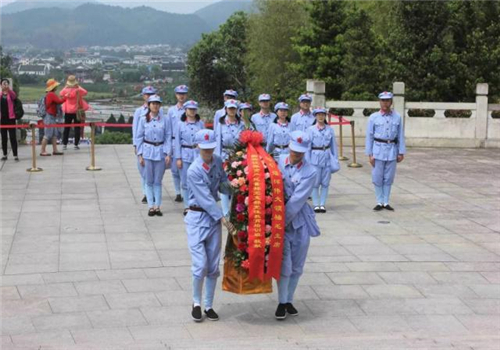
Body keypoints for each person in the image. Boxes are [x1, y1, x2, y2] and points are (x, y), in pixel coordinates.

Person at [185, 129, 233, 322]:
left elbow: (222, 183)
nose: (208, 153)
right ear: (198, 147)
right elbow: (205, 198)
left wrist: (237, 186)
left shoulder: (218, 161)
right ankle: (196, 302)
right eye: (205, 149)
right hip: (197, 218)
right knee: (200, 264)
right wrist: (223, 218)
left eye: (211, 148)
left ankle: (209, 305)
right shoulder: (194, 170)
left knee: (213, 265)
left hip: (213, 219)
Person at [275, 130, 320, 320]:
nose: (296, 155)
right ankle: (281, 302)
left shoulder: (310, 171)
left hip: (298, 220)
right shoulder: (278, 161)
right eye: (294, 151)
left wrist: (280, 222)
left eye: (300, 152)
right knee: (284, 264)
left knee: (297, 265)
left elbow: (296, 201)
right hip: (279, 219)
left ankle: (289, 300)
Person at [365, 91, 405, 211]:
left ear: (391, 102)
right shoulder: (374, 117)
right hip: (378, 149)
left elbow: (400, 135)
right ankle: (379, 201)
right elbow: (369, 136)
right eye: (383, 100)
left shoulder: (397, 117)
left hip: (391, 149)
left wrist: (401, 152)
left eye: (387, 100)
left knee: (389, 177)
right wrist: (370, 154)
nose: (385, 103)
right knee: (377, 176)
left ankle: (386, 202)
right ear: (379, 102)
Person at [136, 95, 172, 217]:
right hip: (147, 151)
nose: (155, 105)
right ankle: (150, 206)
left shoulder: (165, 119)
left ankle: (158, 206)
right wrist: (139, 154)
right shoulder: (143, 119)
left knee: (158, 181)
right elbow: (139, 137)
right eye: (153, 103)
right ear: (149, 105)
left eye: (157, 103)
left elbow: (168, 137)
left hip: (160, 151)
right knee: (149, 180)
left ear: (160, 105)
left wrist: (168, 153)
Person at [174, 100, 205, 214]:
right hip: (185, 153)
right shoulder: (180, 124)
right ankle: (187, 205)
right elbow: (177, 142)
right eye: (190, 109)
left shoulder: (200, 124)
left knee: (198, 180)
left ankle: (196, 203)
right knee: (185, 181)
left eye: (194, 109)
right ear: (185, 110)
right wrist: (178, 158)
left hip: (197, 154)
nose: (192, 111)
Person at [215, 99, 244, 216]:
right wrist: (218, 160)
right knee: (224, 183)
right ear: (226, 109)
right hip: (225, 155)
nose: (232, 111)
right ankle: (225, 211)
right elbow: (218, 143)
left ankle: (236, 208)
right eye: (229, 108)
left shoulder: (242, 124)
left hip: (238, 156)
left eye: (234, 108)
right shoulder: (221, 124)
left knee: (237, 182)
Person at [307, 107, 339, 213]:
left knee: (325, 182)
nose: (321, 117)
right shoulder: (310, 130)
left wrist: (335, 158)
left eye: (322, 114)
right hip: (314, 158)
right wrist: (307, 161)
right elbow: (308, 148)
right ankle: (316, 204)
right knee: (315, 182)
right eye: (318, 115)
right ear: (315, 116)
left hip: (326, 157)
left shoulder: (329, 129)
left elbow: (333, 146)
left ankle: (322, 204)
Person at [133, 86, 159, 204]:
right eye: (147, 95)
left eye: (152, 94)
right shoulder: (139, 111)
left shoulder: (159, 111)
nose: (149, 97)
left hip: (155, 146)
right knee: (143, 170)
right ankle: (145, 193)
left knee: (154, 172)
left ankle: (153, 193)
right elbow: (136, 130)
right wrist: (136, 145)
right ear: (143, 96)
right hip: (143, 144)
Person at [167, 85, 189, 203]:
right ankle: (178, 192)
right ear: (176, 95)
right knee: (175, 169)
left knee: (185, 170)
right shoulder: (171, 111)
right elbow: (169, 129)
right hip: (174, 141)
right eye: (179, 94)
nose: (181, 96)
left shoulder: (190, 109)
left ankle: (187, 191)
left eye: (184, 93)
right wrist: (169, 146)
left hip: (186, 142)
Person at [60, 75, 88, 150]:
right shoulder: (78, 89)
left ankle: (64, 144)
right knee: (77, 128)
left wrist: (66, 87)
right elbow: (85, 92)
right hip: (77, 111)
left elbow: (60, 94)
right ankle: (76, 144)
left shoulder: (66, 89)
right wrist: (78, 86)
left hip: (68, 110)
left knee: (66, 127)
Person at [40, 79, 65, 157]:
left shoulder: (49, 94)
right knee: (47, 135)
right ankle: (43, 150)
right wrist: (66, 97)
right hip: (49, 116)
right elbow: (59, 101)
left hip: (52, 116)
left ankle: (55, 150)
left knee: (54, 134)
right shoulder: (51, 94)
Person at [0, 78, 19, 161]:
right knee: (4, 137)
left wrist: (8, 89)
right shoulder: (0, 94)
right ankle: (4, 154)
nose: (5, 85)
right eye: (3, 83)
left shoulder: (11, 94)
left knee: (12, 137)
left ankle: (15, 155)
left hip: (11, 118)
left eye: (6, 83)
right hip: (2, 119)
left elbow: (14, 97)